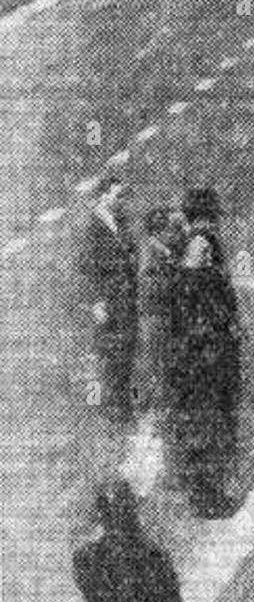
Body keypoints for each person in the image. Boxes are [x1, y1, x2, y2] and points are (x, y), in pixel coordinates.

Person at [170, 188, 241, 519]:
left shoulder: (197, 244)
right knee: (209, 422)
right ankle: (206, 496)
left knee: (208, 421)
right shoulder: (202, 245)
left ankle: (206, 492)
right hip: (207, 351)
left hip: (203, 349)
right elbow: (200, 297)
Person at [72, 480, 184, 602]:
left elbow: (167, 578)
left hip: (115, 568)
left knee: (121, 538)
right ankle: (107, 495)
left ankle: (108, 494)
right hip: (114, 569)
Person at [78, 172, 138, 423]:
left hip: (126, 297)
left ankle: (124, 408)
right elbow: (86, 267)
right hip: (108, 300)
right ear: (103, 196)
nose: (121, 199)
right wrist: (96, 302)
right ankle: (111, 411)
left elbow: (131, 251)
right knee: (110, 353)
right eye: (117, 195)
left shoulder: (120, 221)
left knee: (126, 350)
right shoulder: (91, 225)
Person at [134, 206, 186, 426]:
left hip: (156, 312)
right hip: (155, 313)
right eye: (169, 228)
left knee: (155, 361)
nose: (174, 234)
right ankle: (144, 407)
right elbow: (151, 285)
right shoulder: (153, 252)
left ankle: (148, 406)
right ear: (161, 229)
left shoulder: (157, 249)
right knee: (153, 361)